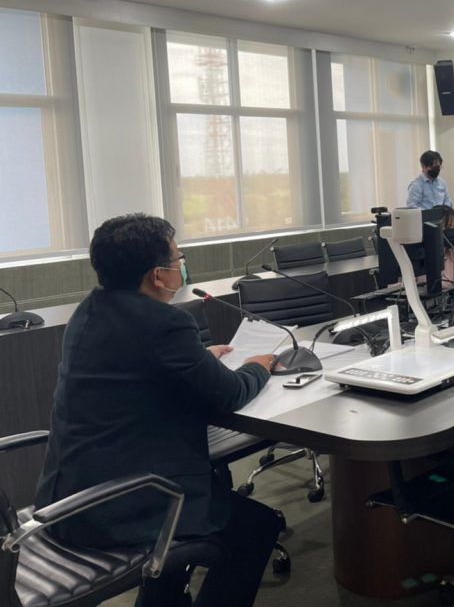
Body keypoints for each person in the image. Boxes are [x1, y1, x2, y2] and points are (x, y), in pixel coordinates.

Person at [34, 213, 280, 607]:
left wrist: (199, 359)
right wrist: (258, 366)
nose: (181, 264)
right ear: (157, 275)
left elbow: (134, 367)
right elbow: (230, 393)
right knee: (258, 527)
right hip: (123, 504)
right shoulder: (164, 323)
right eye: (177, 258)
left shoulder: (90, 310)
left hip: (68, 496)